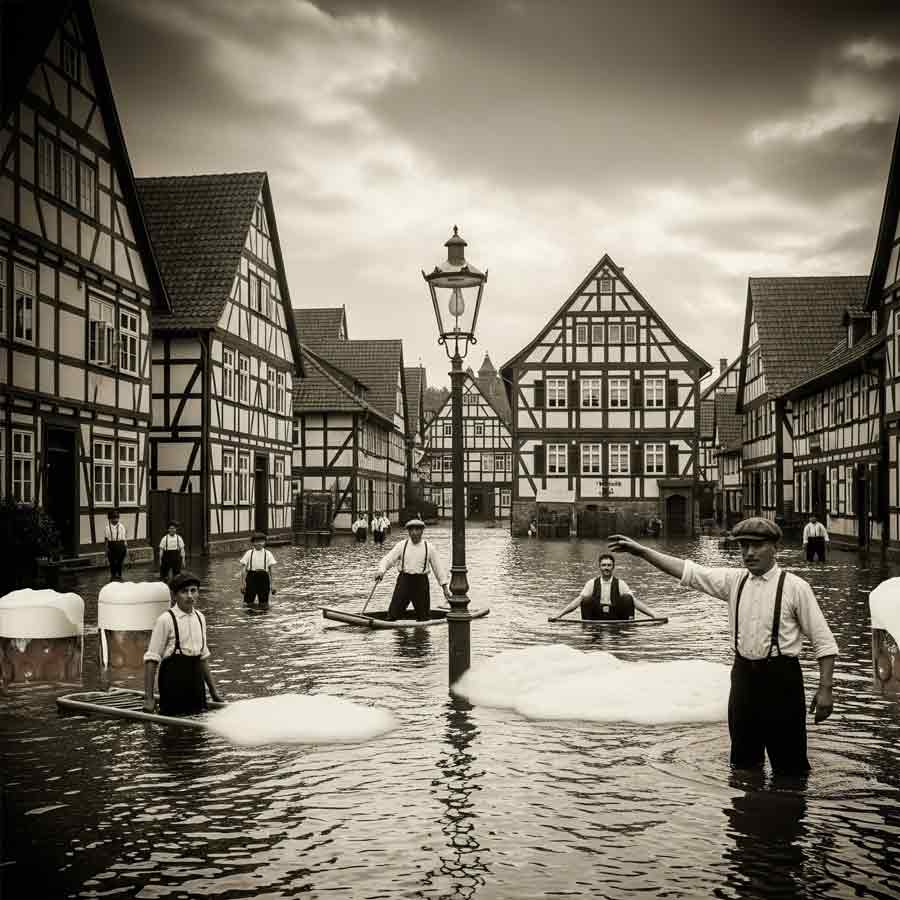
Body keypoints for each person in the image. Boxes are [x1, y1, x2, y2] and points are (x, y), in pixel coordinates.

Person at [609, 517, 837, 775]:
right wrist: (642, 552)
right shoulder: (734, 581)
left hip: (782, 680)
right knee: (742, 763)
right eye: (744, 546)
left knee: (790, 766)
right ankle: (748, 798)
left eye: (757, 546)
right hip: (743, 679)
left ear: (775, 548)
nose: (749, 553)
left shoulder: (796, 588)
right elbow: (689, 571)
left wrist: (825, 690)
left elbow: (823, 642)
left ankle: (786, 798)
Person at [143, 571, 224, 715]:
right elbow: (151, 660)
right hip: (173, 679)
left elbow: (203, 658)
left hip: (196, 679)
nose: (190, 596)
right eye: (184, 591)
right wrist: (149, 698)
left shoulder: (200, 618)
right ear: (175, 596)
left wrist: (213, 692)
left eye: (193, 591)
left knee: (199, 717)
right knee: (174, 723)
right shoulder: (165, 620)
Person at [375, 516, 452, 621]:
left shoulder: (429, 547)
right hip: (404, 581)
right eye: (411, 530)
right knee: (393, 614)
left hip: (421, 583)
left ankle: (421, 629)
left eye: (417, 530)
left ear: (422, 531)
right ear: (408, 532)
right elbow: (388, 559)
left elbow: (438, 568)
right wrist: (381, 571)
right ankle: (394, 627)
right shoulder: (402, 545)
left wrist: (445, 588)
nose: (414, 533)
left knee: (424, 617)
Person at [551, 553, 658, 621]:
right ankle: (588, 625)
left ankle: (627, 624)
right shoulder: (591, 583)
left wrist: (653, 615)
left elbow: (635, 602)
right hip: (597, 616)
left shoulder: (621, 583)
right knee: (586, 599)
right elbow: (577, 601)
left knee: (627, 598)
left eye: (609, 565)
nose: (606, 568)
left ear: (613, 567)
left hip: (616, 616)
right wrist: (559, 615)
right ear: (599, 567)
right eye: (604, 565)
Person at [240, 531, 276, 608]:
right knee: (248, 602)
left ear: (265, 542)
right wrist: (243, 584)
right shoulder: (249, 553)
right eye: (256, 541)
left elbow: (271, 570)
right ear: (253, 543)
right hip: (251, 577)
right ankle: (249, 613)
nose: (259, 543)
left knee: (264, 602)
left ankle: (262, 614)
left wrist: (273, 585)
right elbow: (243, 569)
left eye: (261, 541)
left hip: (264, 577)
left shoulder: (268, 553)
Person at [104, 510, 128, 581]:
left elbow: (124, 538)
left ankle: (119, 576)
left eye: (117, 518)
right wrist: (106, 549)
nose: (115, 520)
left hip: (120, 545)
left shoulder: (121, 527)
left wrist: (126, 548)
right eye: (113, 518)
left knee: (119, 562)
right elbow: (106, 539)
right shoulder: (107, 528)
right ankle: (113, 576)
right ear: (110, 519)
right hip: (111, 546)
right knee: (112, 562)